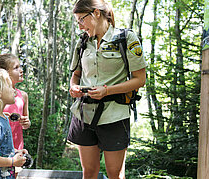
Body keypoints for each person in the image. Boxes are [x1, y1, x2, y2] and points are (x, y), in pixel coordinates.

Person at [67, 0, 147, 179]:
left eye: (81, 20)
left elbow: (140, 80)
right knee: (89, 172)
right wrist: (73, 87)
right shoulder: (82, 43)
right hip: (84, 114)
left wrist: (107, 90)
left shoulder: (126, 38)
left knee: (115, 175)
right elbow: (76, 75)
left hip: (114, 115)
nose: (80, 26)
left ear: (95, 13)